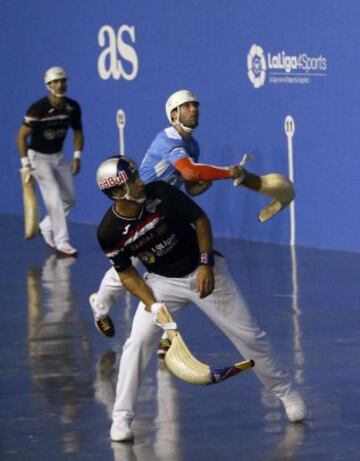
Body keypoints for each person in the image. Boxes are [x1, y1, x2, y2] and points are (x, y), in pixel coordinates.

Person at [94, 154, 307, 442]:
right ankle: (121, 418)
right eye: (132, 180)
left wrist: (205, 264)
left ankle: (286, 393)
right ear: (117, 192)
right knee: (137, 343)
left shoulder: (162, 193)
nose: (139, 182)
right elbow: (126, 273)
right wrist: (152, 304)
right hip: (161, 283)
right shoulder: (108, 232)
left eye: (136, 175)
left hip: (205, 272)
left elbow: (200, 220)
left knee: (249, 336)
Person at [89, 90, 257, 347]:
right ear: (173, 114)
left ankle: (167, 335)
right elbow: (189, 172)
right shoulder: (168, 139)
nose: (193, 109)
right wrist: (227, 171)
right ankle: (99, 307)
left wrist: (209, 180)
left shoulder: (193, 146)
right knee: (122, 272)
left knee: (176, 273)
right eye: (186, 106)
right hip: (137, 212)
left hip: (161, 212)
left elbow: (192, 186)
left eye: (195, 105)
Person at [16, 66, 84, 257]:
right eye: (55, 82)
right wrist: (25, 164)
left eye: (63, 81)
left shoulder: (72, 107)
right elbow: (21, 137)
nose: (60, 85)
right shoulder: (38, 109)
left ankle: (46, 226)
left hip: (58, 156)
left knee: (69, 198)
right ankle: (62, 243)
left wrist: (77, 156)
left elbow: (78, 132)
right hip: (37, 158)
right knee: (53, 197)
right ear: (48, 85)